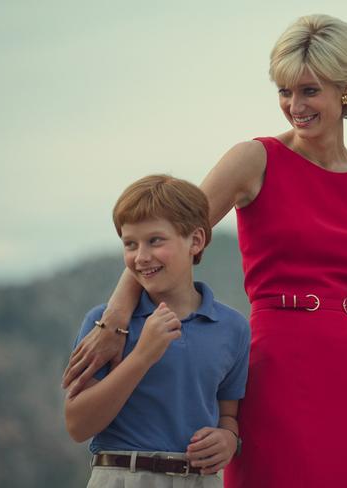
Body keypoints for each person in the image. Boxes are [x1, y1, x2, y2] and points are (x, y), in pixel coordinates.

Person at [64, 14, 347, 487]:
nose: (294, 105)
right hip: (279, 370)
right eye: (285, 91)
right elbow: (169, 236)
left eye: (309, 90)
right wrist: (116, 319)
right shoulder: (255, 159)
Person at [64, 174, 250, 488]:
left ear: (196, 241)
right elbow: (78, 425)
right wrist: (142, 357)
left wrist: (228, 439)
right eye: (130, 244)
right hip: (122, 477)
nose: (141, 257)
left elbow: (228, 414)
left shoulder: (232, 328)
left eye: (155, 241)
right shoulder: (105, 327)